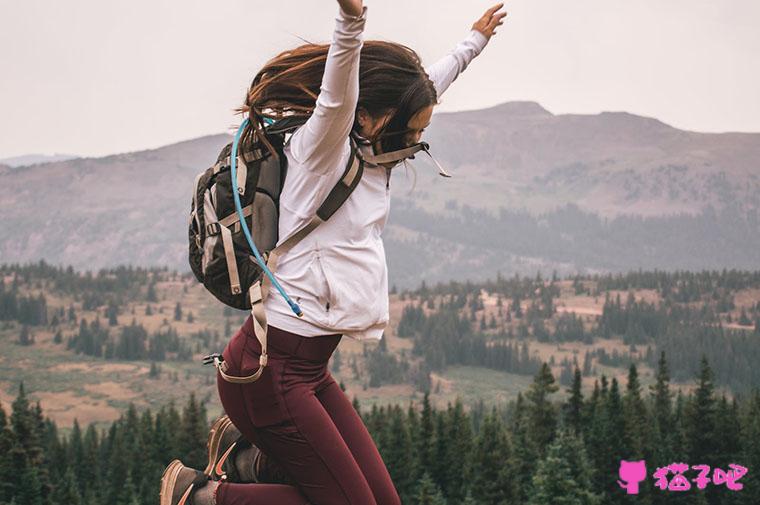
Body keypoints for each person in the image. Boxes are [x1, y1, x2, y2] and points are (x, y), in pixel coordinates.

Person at [160, 1, 506, 504]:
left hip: (306, 371)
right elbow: (338, 92)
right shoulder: (323, 151)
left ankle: (249, 460)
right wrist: (351, 21)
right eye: (412, 127)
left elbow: (429, 83)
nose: (416, 139)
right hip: (269, 371)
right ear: (366, 116)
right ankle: (201, 497)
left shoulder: (377, 148)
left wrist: (473, 42)